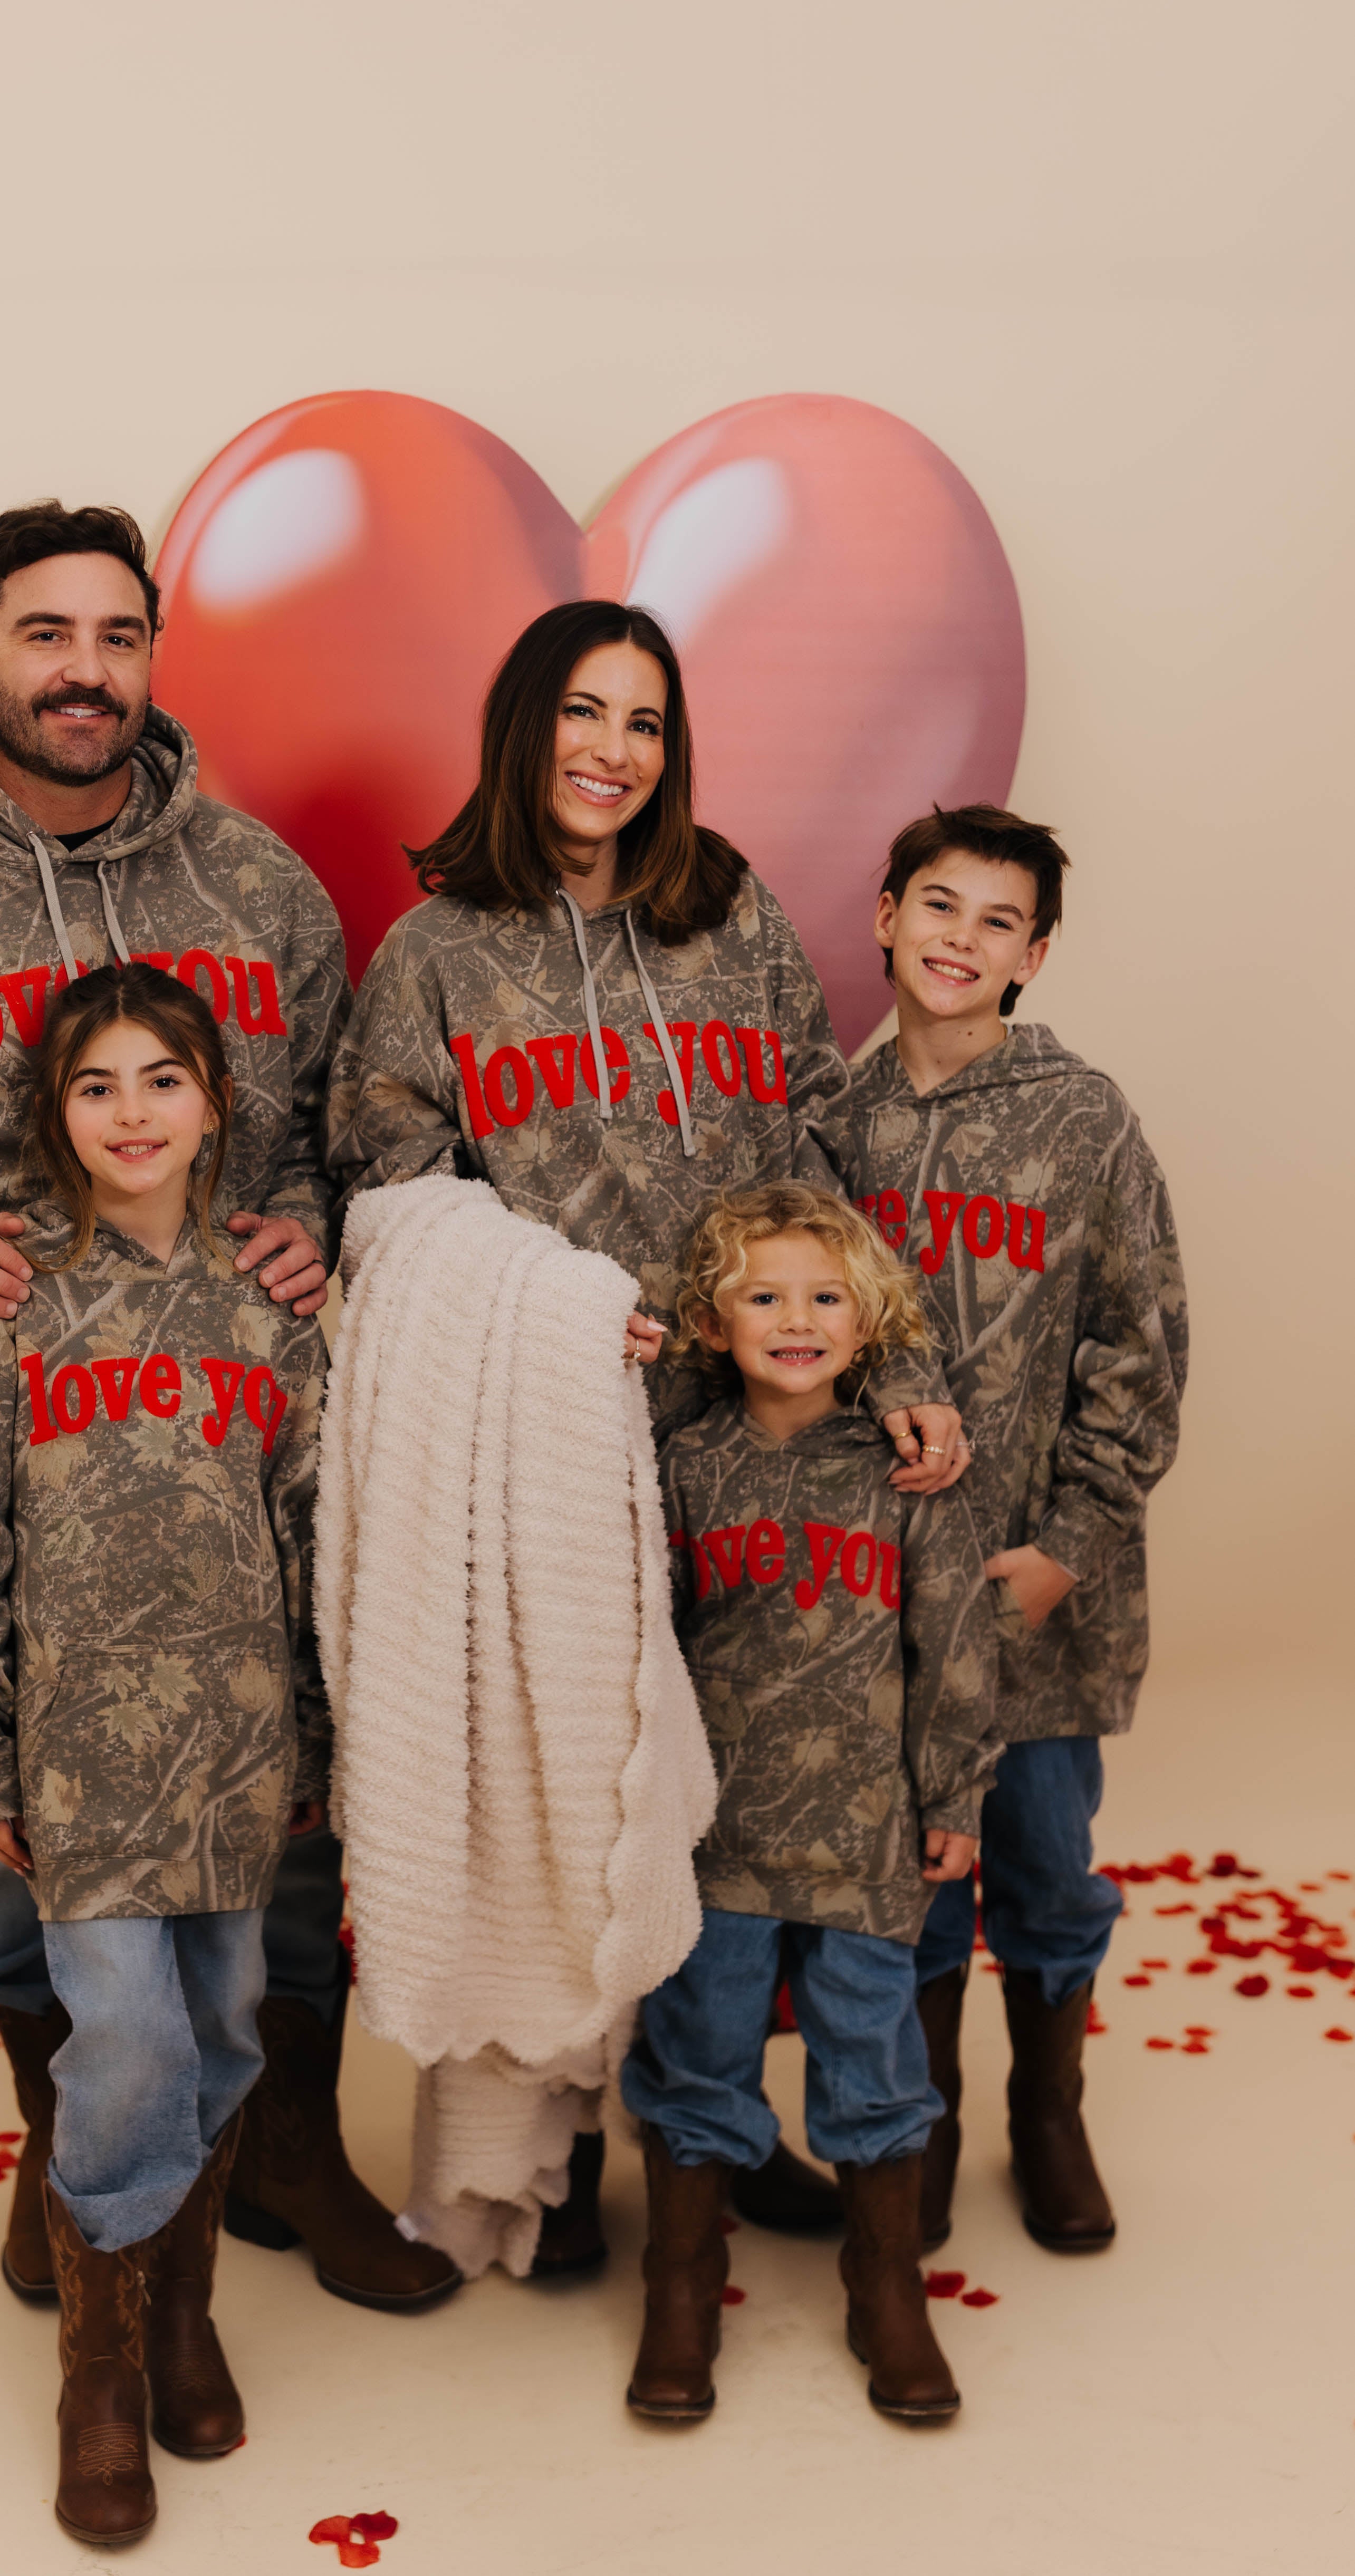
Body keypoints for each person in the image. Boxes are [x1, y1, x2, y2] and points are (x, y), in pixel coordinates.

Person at [0, 500, 456, 2318]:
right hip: (5, 1442)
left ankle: (281, 2142)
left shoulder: (256, 887)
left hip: (223, 1431)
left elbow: (338, 1127)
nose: (82, 670)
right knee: (12, 1828)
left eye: (116, 635)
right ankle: (76, 2150)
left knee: (281, 1806)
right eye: (43, 636)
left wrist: (306, 1226)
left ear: (148, 657)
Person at [325, 597, 970, 2267]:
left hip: (768, 1423)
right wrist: (542, 1298)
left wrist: (884, 1356)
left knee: (737, 1796)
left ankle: (714, 2128)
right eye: (584, 716)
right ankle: (561, 2159)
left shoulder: (729, 908)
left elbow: (814, 1139)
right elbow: (387, 1190)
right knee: (582, 1788)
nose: (615, 753)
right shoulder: (439, 952)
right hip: (571, 1437)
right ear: (524, 726)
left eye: (648, 722)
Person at [0, 962, 341, 2542]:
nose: (133, 1111)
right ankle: (100, 2370)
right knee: (130, 2038)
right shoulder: (19, 1299)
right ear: (55, 1116)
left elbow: (316, 1536)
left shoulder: (268, 1303)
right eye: (97, 1086)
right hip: (79, 1769)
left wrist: (323, 1739)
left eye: (164, 1078)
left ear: (217, 1100)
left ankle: (181, 2307)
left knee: (224, 2021)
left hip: (236, 1755)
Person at [832, 804, 1187, 2254]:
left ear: (1033, 950)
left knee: (1040, 1865)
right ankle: (930, 2115)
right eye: (936, 903)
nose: (958, 938)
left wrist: (1074, 1538)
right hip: (880, 1603)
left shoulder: (1081, 1116)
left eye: (995, 920)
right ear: (883, 913)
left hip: (1036, 1591)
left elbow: (1139, 1335)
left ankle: (1051, 2107)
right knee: (916, 1870)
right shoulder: (830, 1122)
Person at [622, 1184, 1002, 2425]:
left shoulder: (909, 1469)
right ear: (711, 1322)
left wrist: (954, 1790)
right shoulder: (682, 1465)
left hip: (864, 1835)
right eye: (765, 1296)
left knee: (874, 2062)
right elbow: (646, 1646)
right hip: (715, 1838)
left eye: (826, 1296)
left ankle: (885, 2283)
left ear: (870, 1316)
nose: (798, 1319)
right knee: (699, 2057)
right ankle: (682, 2282)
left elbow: (953, 1645)